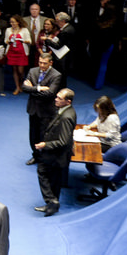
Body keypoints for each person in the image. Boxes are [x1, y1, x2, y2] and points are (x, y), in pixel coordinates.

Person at [34, 88, 76, 217]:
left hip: (55, 155)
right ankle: (52, 205)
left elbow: (63, 141)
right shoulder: (67, 111)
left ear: (68, 102)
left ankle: (51, 201)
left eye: (59, 98)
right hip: (58, 155)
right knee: (54, 180)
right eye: (56, 97)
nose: (55, 99)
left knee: (42, 172)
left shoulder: (66, 117)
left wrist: (45, 144)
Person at [21, 53, 62, 166]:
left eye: (44, 63)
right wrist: (39, 88)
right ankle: (36, 155)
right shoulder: (32, 71)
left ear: (50, 63)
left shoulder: (56, 75)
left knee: (44, 136)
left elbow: (50, 94)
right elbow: (24, 88)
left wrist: (32, 90)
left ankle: (44, 158)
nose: (42, 65)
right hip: (33, 109)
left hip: (46, 111)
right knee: (33, 135)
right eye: (40, 62)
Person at [5, 15, 31, 94]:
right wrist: (9, 41)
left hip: (21, 52)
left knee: (20, 71)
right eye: (11, 22)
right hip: (12, 52)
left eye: (13, 22)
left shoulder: (24, 30)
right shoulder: (8, 30)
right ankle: (17, 87)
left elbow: (30, 41)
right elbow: (6, 40)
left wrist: (22, 40)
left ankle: (21, 84)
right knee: (15, 70)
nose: (11, 23)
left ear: (18, 22)